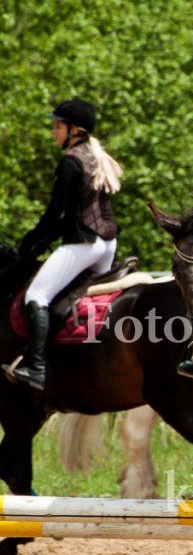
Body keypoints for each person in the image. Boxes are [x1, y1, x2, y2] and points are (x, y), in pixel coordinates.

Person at [6, 98, 122, 391]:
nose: (53, 132)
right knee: (74, 301)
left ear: (75, 130)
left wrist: (31, 241)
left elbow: (55, 212)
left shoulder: (71, 162)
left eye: (57, 127)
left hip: (84, 244)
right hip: (107, 244)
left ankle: (36, 366)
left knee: (36, 296)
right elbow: (70, 213)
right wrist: (43, 239)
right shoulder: (96, 157)